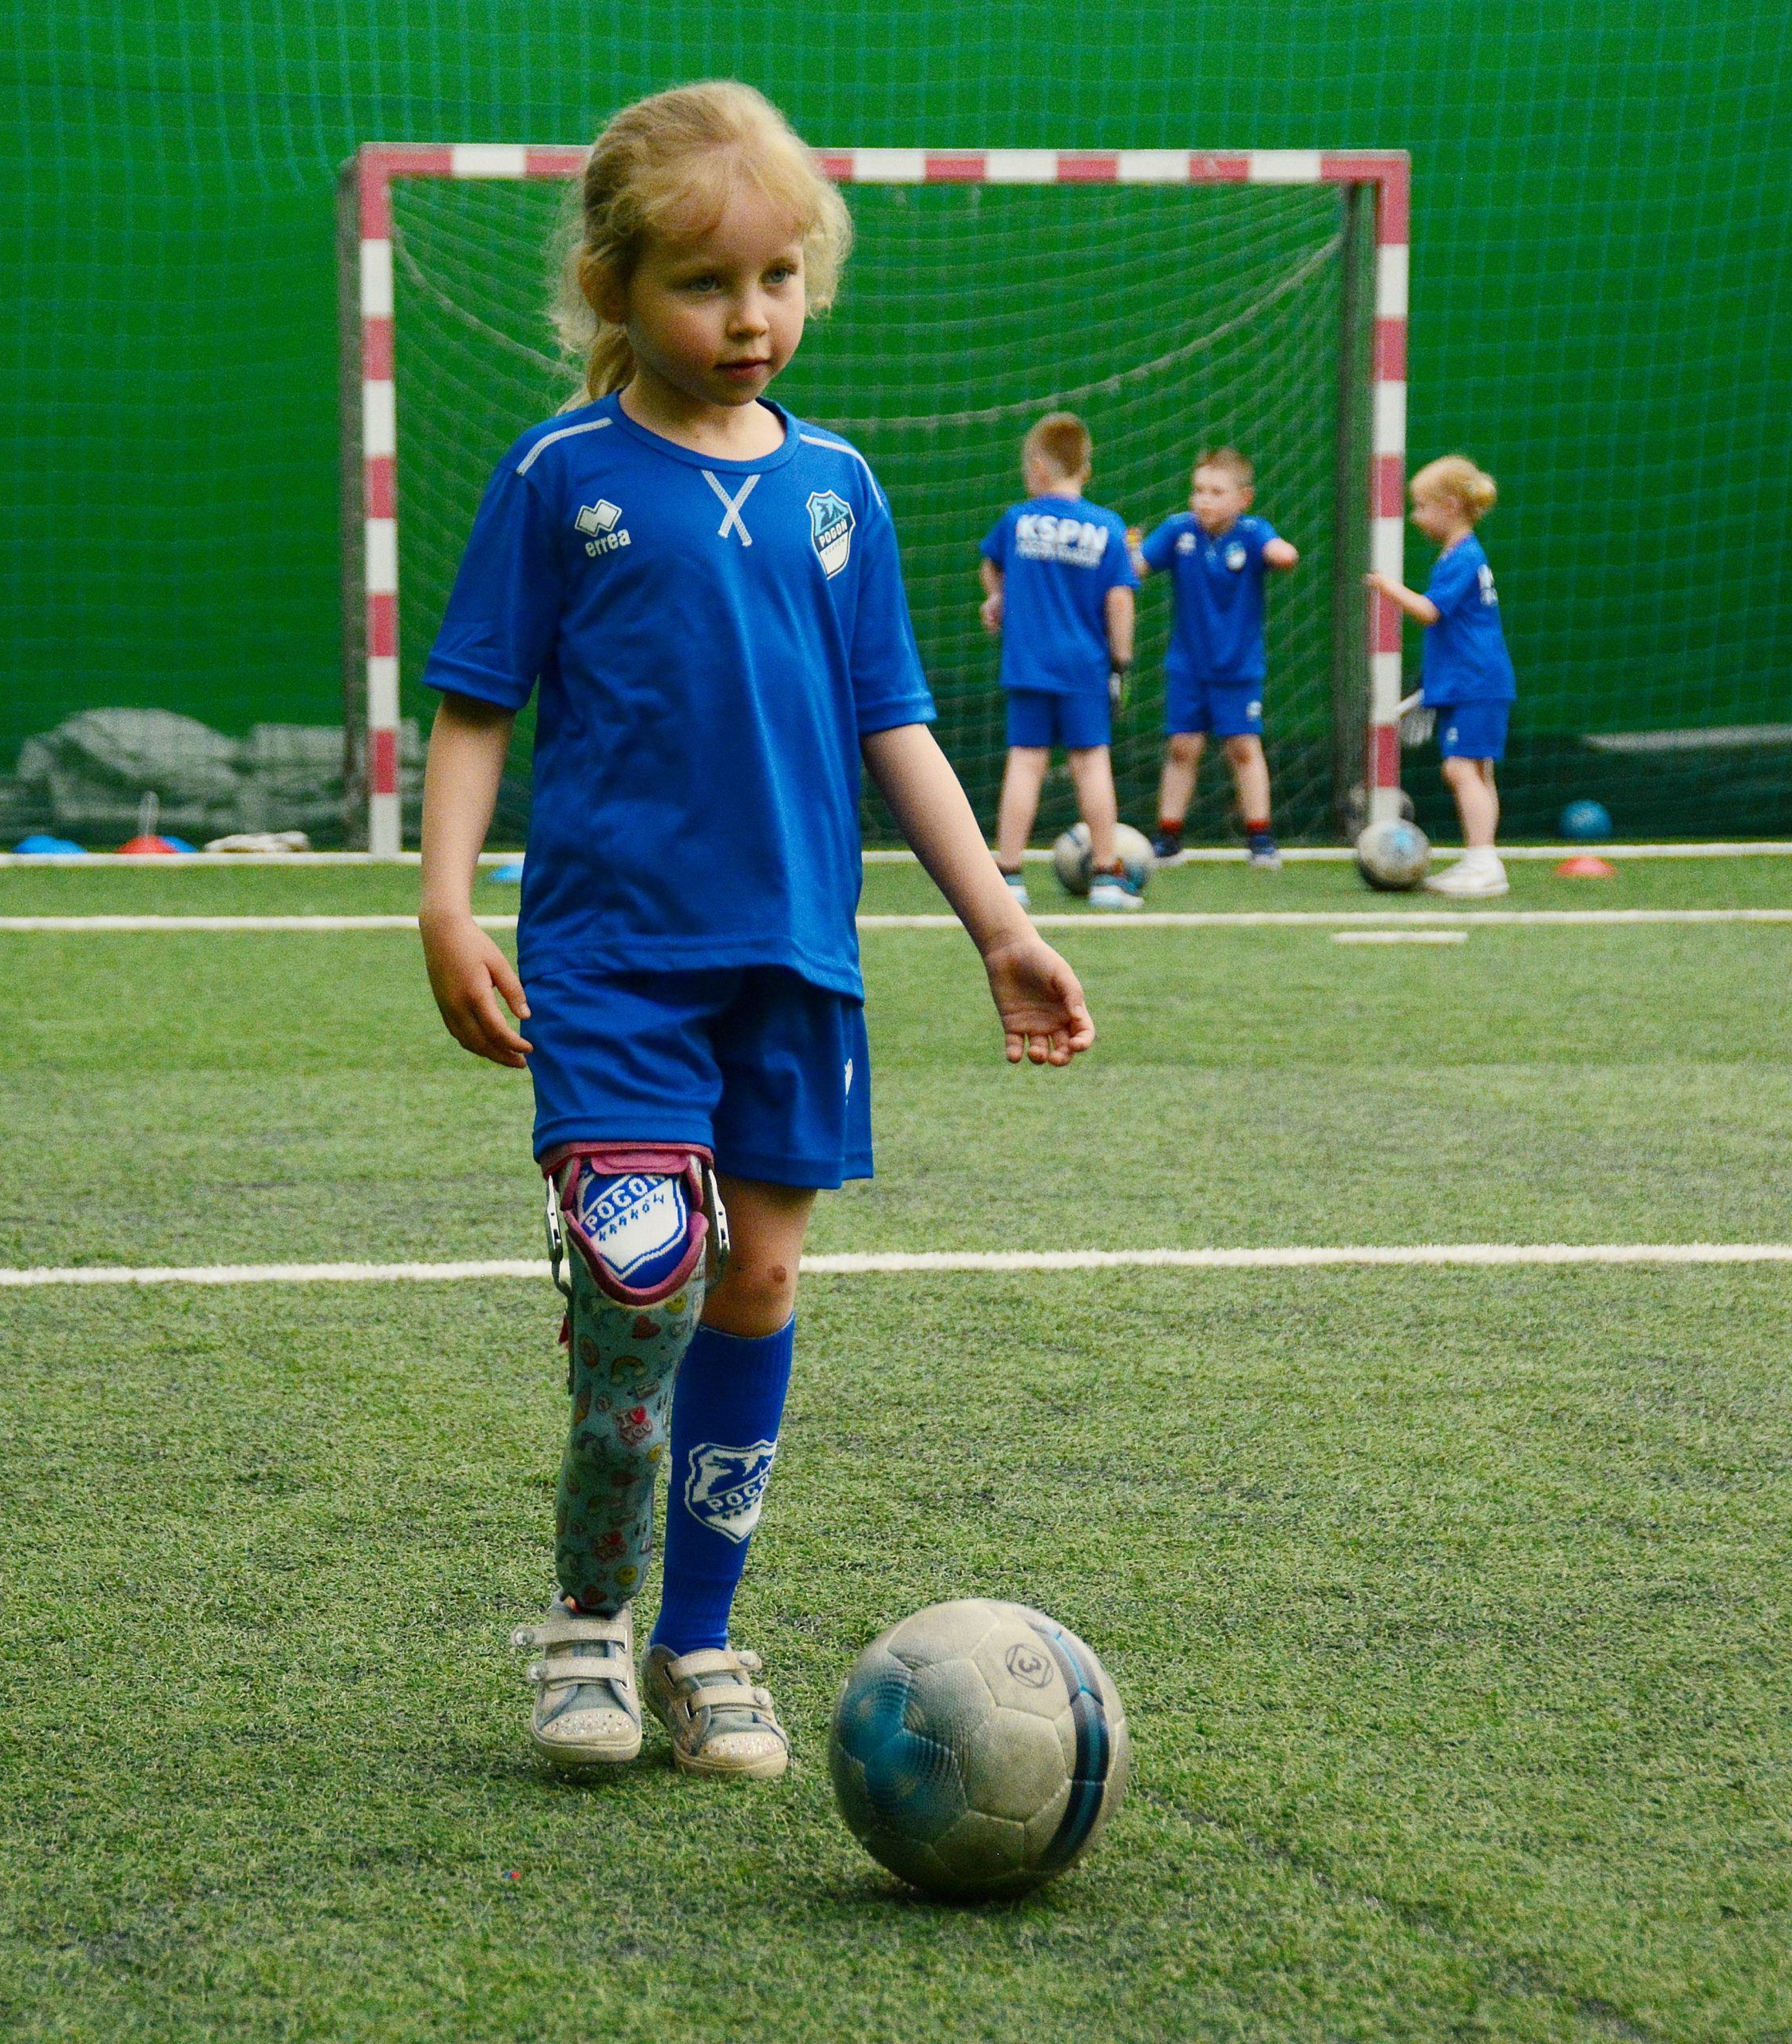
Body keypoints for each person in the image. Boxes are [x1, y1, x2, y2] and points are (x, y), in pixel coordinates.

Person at [415, 82, 1094, 1783]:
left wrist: (999, 927)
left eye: (777, 278)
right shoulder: (559, 475)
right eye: (704, 284)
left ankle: (699, 1639)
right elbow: (479, 702)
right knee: (642, 1280)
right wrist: (443, 897)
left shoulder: (836, 486)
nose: (748, 318)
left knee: (761, 1277)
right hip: (611, 964)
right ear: (612, 287)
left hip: (794, 962)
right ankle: (585, 1618)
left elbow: (894, 726)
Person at [978, 413, 1141, 910]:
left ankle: (1008, 875)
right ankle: (1106, 876)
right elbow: (1120, 600)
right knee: (1091, 765)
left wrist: (997, 597)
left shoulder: (1017, 520)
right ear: (1085, 469)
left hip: (1029, 664)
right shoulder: (1107, 527)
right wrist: (1121, 663)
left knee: (1025, 763)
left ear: (1037, 468)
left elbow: (990, 564)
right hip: (1084, 668)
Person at [1133, 449, 1299, 869]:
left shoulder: (1254, 532)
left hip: (1238, 667)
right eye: (1198, 490)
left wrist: (1281, 553)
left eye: (1216, 492)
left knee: (1243, 747)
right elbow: (1137, 567)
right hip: (1187, 666)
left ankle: (1260, 837)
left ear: (1244, 498)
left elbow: (1282, 553)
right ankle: (1168, 837)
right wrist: (1124, 554)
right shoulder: (1178, 531)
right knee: (1183, 747)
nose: (1204, 500)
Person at [1366, 456, 1515, 898]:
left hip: (1476, 683)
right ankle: (1479, 859)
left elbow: (1429, 612)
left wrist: (1387, 587)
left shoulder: (1463, 556)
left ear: (1449, 506)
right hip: (1471, 682)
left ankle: (1484, 862)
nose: (1415, 517)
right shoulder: (1460, 554)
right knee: (1477, 771)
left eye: (1422, 507)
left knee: (1460, 768)